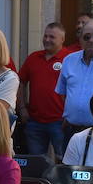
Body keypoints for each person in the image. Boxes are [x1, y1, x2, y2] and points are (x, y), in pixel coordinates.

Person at [17, 22, 77, 158]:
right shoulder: (33, 57)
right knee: (37, 162)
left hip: (61, 122)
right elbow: (20, 81)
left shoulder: (70, 59)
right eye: (45, 36)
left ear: (62, 39)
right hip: (35, 121)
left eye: (52, 37)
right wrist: (22, 108)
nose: (47, 40)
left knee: (63, 160)